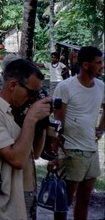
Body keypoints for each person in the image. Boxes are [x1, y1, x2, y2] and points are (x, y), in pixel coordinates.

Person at [0, 59, 51, 220]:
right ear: (13, 85)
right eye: (31, 93)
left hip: (27, 194)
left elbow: (34, 154)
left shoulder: (15, 112)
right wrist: (31, 118)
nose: (32, 98)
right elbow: (16, 159)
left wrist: (41, 124)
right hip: (7, 200)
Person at [51, 46, 104, 220]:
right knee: (64, 201)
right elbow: (58, 119)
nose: (102, 66)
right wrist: (56, 149)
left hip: (91, 149)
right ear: (86, 65)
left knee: (85, 199)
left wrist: (101, 129)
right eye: (99, 62)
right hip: (71, 150)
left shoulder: (101, 86)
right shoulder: (66, 87)